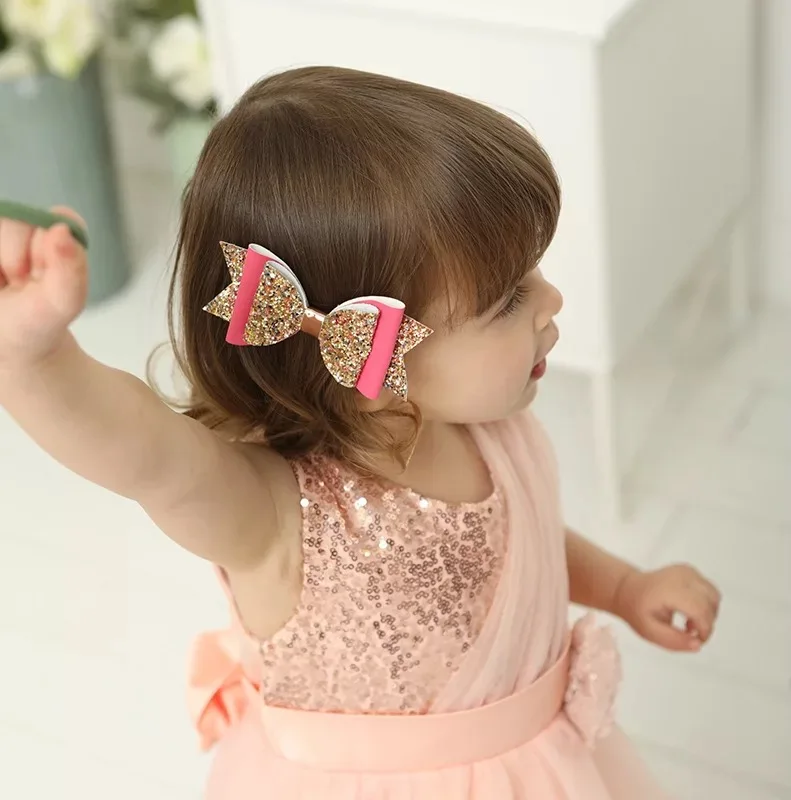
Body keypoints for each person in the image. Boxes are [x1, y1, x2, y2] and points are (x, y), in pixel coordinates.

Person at [0, 66, 720, 799]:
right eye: (508, 299)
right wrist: (32, 358)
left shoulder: (485, 426)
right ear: (366, 354)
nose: (552, 298)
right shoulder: (271, 514)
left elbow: (519, 546)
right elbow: (145, 455)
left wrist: (624, 586)